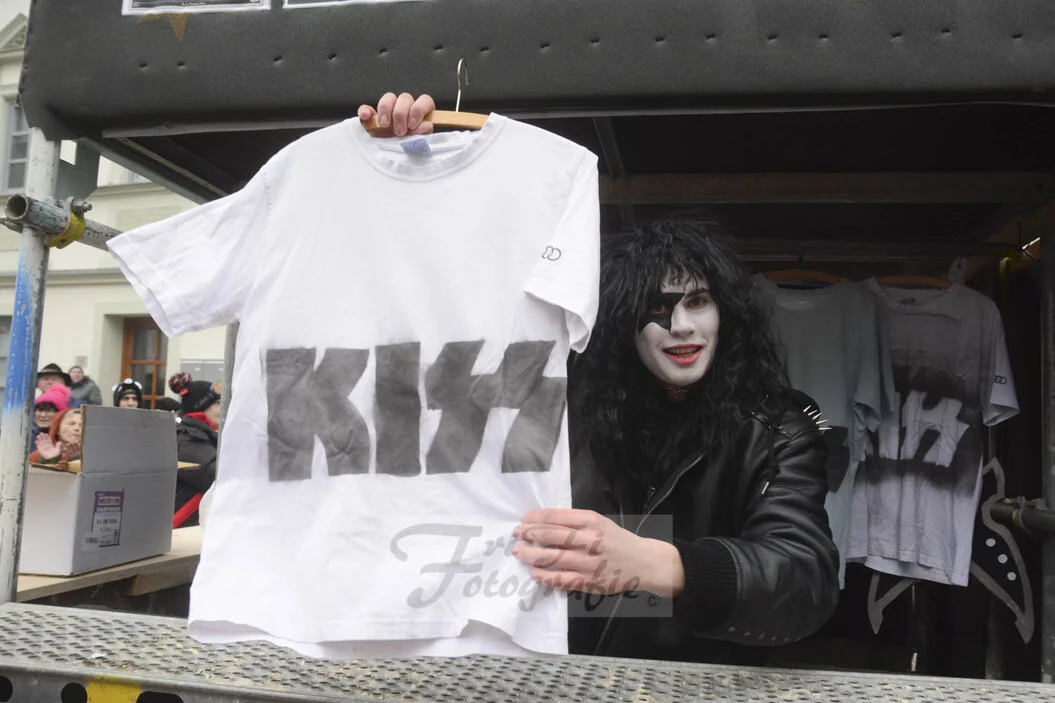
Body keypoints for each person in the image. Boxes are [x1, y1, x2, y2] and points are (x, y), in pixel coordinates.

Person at [358, 94, 840, 666]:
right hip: (557, 671)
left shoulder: (776, 429)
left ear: (725, 313)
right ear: (621, 326)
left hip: (699, 681)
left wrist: (661, 564)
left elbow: (803, 580)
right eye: (655, 308)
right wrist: (412, 161)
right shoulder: (561, 404)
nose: (680, 326)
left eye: (697, 301)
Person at [169, 373, 222, 527]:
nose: (224, 407)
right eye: (218, 403)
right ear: (201, 406)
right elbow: (217, 476)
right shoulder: (190, 439)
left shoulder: (203, 435)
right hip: (181, 527)